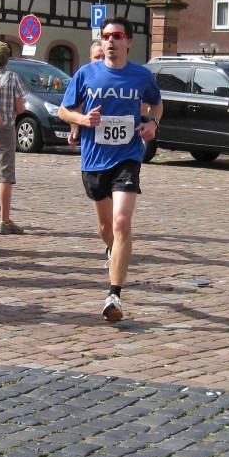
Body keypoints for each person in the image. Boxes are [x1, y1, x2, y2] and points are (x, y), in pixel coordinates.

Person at [58, 18, 162, 321]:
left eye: (117, 36)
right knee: (106, 230)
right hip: (93, 160)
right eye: (106, 37)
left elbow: (157, 104)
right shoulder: (85, 74)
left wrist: (153, 123)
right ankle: (114, 251)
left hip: (127, 157)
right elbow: (65, 109)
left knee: (121, 223)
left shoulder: (141, 76)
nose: (111, 42)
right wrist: (81, 120)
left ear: (128, 41)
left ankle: (114, 295)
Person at [0, 41, 26, 234]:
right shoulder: (13, 77)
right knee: (5, 175)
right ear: (7, 58)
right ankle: (4, 220)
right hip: (6, 128)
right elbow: (20, 108)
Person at [68, 40, 105, 146]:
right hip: (91, 138)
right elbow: (72, 106)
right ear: (91, 59)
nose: (100, 60)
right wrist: (74, 127)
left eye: (103, 57)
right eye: (97, 57)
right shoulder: (84, 76)